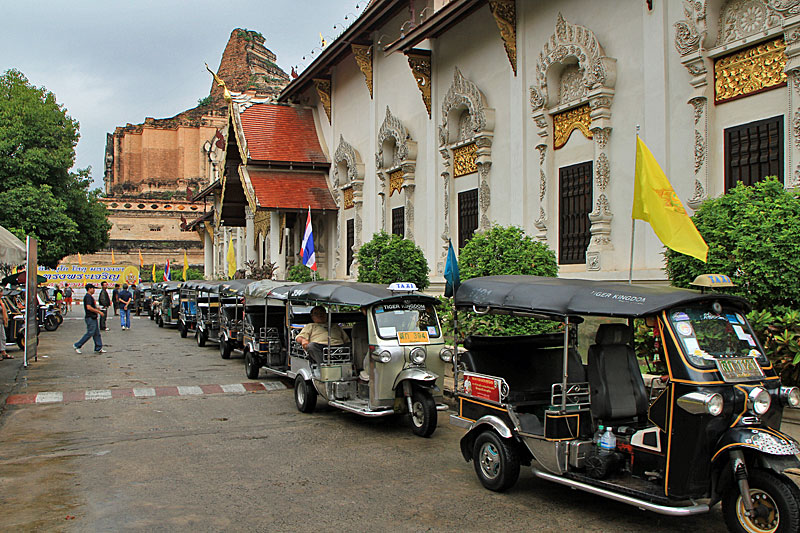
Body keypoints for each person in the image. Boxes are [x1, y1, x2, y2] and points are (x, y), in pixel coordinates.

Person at [73, 283, 106, 354]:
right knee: (90, 332)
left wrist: (98, 308)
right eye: (93, 289)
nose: (94, 290)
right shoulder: (88, 297)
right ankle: (77, 345)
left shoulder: (90, 297)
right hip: (90, 317)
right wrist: (98, 312)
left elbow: (92, 306)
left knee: (97, 333)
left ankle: (98, 347)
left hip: (93, 317)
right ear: (89, 289)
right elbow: (88, 307)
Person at [0, 287, 11, 359]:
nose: (2, 293)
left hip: (1, 322)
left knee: (3, 337)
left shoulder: (1, 301)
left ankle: (3, 352)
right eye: (1, 292)